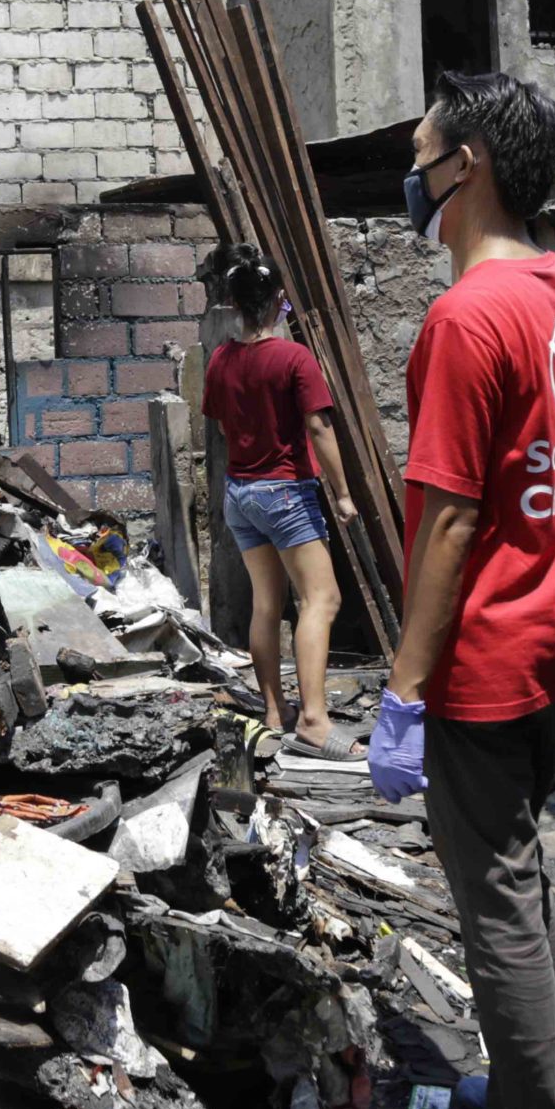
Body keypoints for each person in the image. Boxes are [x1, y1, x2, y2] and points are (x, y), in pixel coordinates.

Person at [368, 70, 555, 1109]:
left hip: (484, 656)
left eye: (421, 158)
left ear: (464, 166)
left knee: (494, 900)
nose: (412, 179)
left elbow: (451, 519)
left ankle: (527, 1105)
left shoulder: (466, 319)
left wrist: (406, 687)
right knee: (522, 872)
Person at [198, 241, 362, 759]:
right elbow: (318, 425)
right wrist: (342, 493)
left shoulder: (221, 359)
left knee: (267, 604)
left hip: (240, 494)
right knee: (322, 599)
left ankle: (275, 711)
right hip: (286, 492)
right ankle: (314, 720)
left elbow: (222, 426)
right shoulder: (293, 358)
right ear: (274, 304)